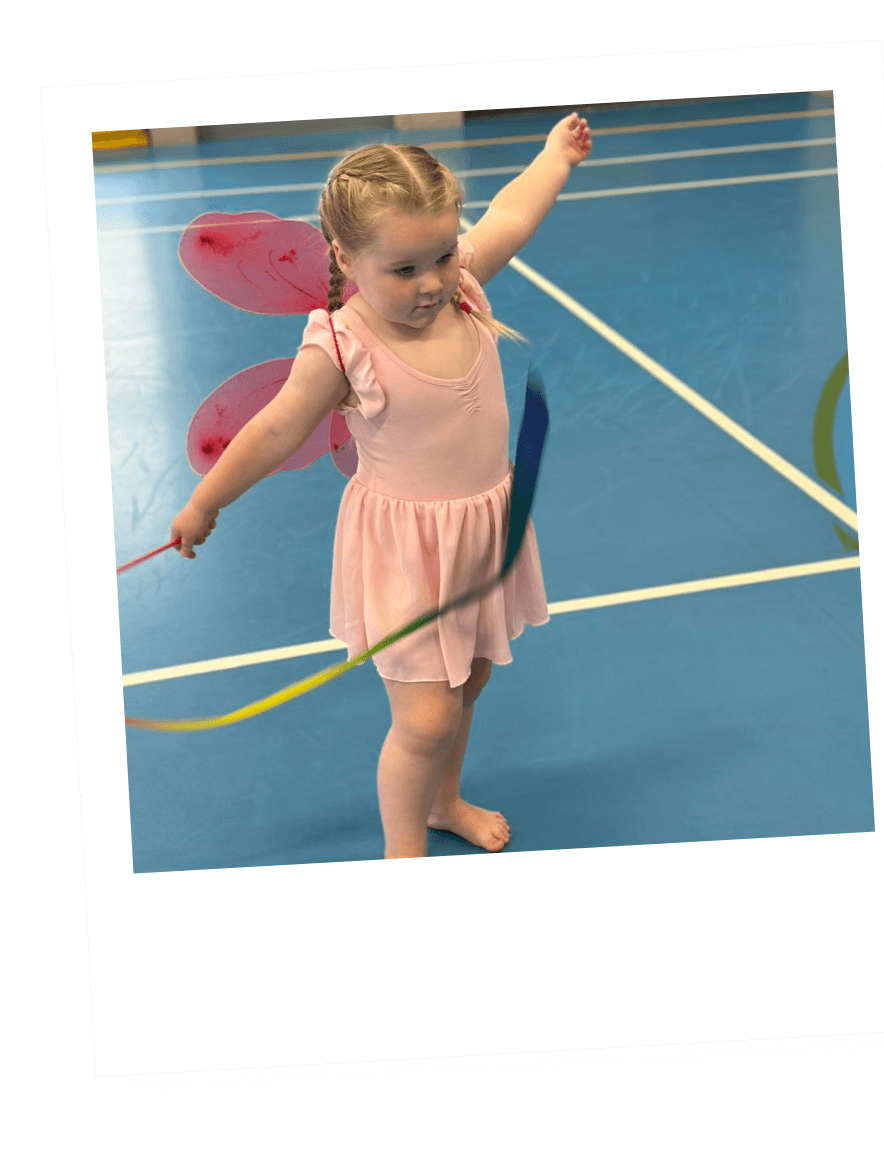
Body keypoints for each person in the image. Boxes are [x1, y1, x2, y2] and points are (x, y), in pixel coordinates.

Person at [171, 113, 593, 859]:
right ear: (346, 257)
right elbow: (274, 430)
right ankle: (404, 857)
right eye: (404, 270)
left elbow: (511, 216)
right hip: (407, 552)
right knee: (424, 720)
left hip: (481, 531)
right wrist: (206, 502)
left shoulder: (461, 290)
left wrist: (554, 156)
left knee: (469, 684)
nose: (431, 282)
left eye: (442, 255)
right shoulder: (343, 345)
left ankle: (444, 801)